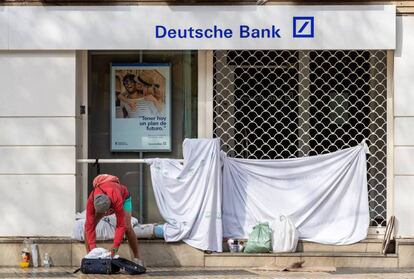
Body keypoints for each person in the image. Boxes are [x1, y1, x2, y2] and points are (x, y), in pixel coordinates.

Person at [84, 174, 143, 265]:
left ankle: (137, 258)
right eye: (103, 213)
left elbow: (121, 225)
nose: (105, 214)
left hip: (124, 198)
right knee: (88, 227)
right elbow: (89, 226)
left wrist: (114, 249)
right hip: (104, 202)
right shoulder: (91, 200)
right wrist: (93, 249)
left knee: (127, 227)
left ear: (111, 205)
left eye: (107, 212)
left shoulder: (116, 198)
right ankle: (90, 258)